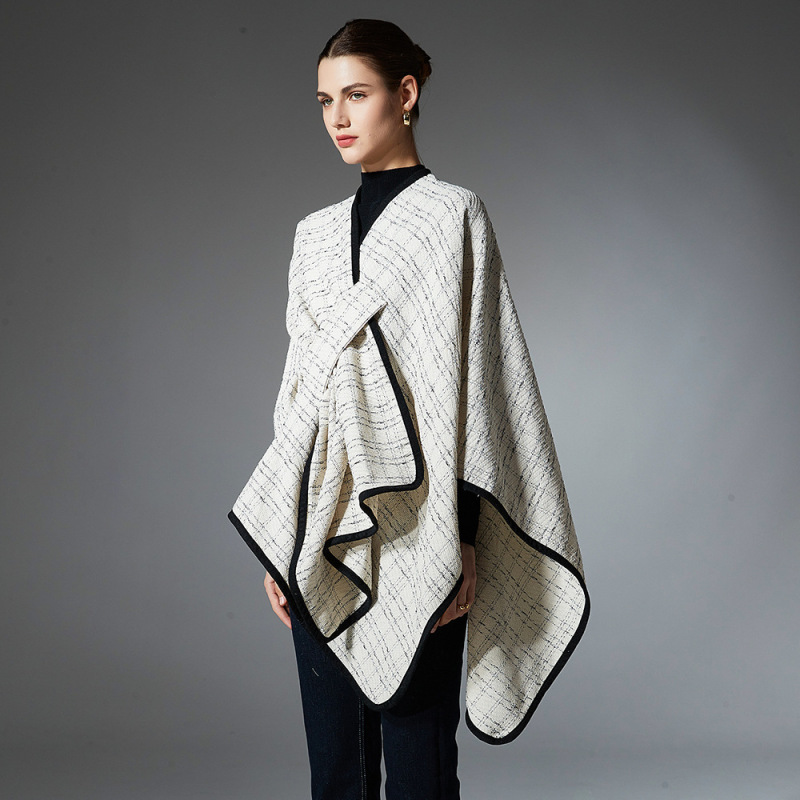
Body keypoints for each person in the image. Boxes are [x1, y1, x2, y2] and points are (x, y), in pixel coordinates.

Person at [227, 18, 589, 800]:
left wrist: (465, 537)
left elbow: (479, 385)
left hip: (423, 528)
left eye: (356, 95)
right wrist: (284, 537)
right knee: (336, 770)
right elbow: (299, 396)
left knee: (420, 767)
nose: (338, 117)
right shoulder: (313, 237)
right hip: (320, 524)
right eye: (325, 101)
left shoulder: (454, 216)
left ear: (406, 93)